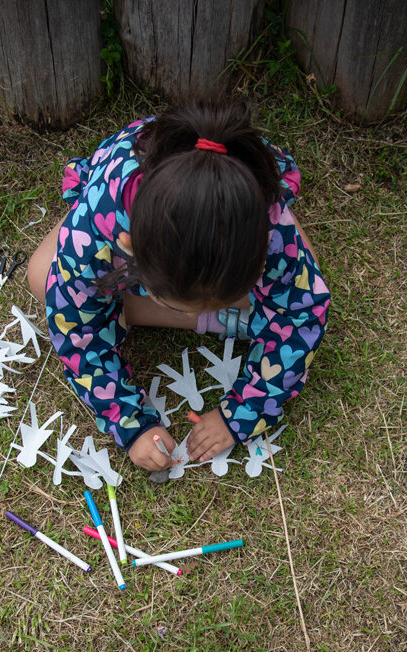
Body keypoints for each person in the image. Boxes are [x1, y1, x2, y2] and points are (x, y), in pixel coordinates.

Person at [25, 99, 330, 473]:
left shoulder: (268, 232)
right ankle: (230, 320)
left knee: (305, 278)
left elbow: (303, 310)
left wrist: (242, 414)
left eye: (208, 305)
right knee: (42, 277)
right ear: (133, 253)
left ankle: (234, 308)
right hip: (114, 200)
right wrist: (129, 423)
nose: (192, 311)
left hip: (239, 202)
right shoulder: (98, 231)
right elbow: (77, 333)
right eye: (181, 304)